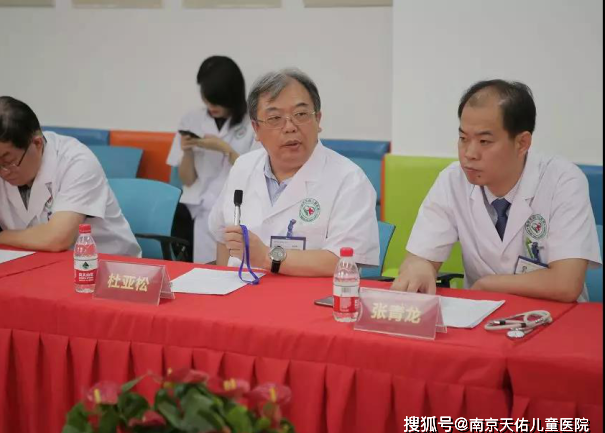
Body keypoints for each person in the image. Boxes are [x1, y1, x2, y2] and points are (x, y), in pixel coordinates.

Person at [393, 80, 602, 302]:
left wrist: (488, 285)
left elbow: (566, 283)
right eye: (463, 139)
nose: (469, 153)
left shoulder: (563, 180)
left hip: (553, 314)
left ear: (522, 143)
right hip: (481, 314)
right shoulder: (452, 180)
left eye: (484, 141)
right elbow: (419, 257)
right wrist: (420, 266)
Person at [208, 68, 379, 277]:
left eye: (301, 115)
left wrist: (266, 257)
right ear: (256, 129)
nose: (290, 127)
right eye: (274, 118)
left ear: (318, 120)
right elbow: (223, 237)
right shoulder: (243, 167)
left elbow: (343, 262)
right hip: (243, 290)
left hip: (310, 296)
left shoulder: (350, 180)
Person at [0, 96, 141, 256]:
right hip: (34, 264)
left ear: (37, 143)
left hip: (106, 267)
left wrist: (3, 237)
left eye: (9, 161)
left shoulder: (76, 161)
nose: (3, 171)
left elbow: (57, 238)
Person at [166, 56, 256, 264]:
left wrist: (224, 148)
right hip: (201, 211)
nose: (211, 106)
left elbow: (255, 174)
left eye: (217, 100)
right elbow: (187, 180)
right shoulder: (191, 119)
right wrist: (188, 151)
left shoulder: (252, 123)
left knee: (236, 270)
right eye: (206, 99)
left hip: (241, 210)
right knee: (205, 270)